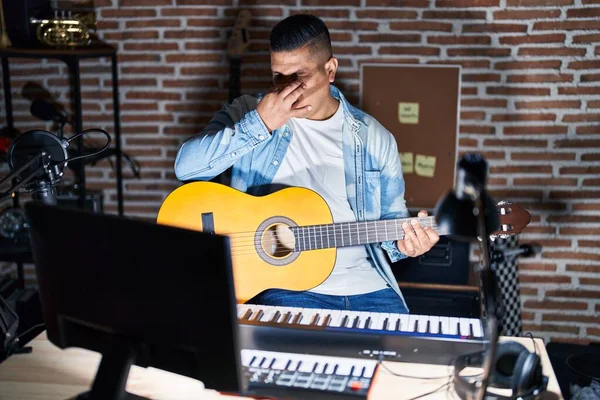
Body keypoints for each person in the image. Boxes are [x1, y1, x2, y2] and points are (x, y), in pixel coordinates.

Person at [174, 14, 439, 314]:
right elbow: (186, 167)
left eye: (299, 77)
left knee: (406, 353)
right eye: (278, 77)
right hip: (284, 288)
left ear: (330, 70)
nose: (288, 90)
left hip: (368, 289)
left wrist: (406, 246)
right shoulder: (249, 112)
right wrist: (260, 124)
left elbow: (392, 224)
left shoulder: (376, 139)